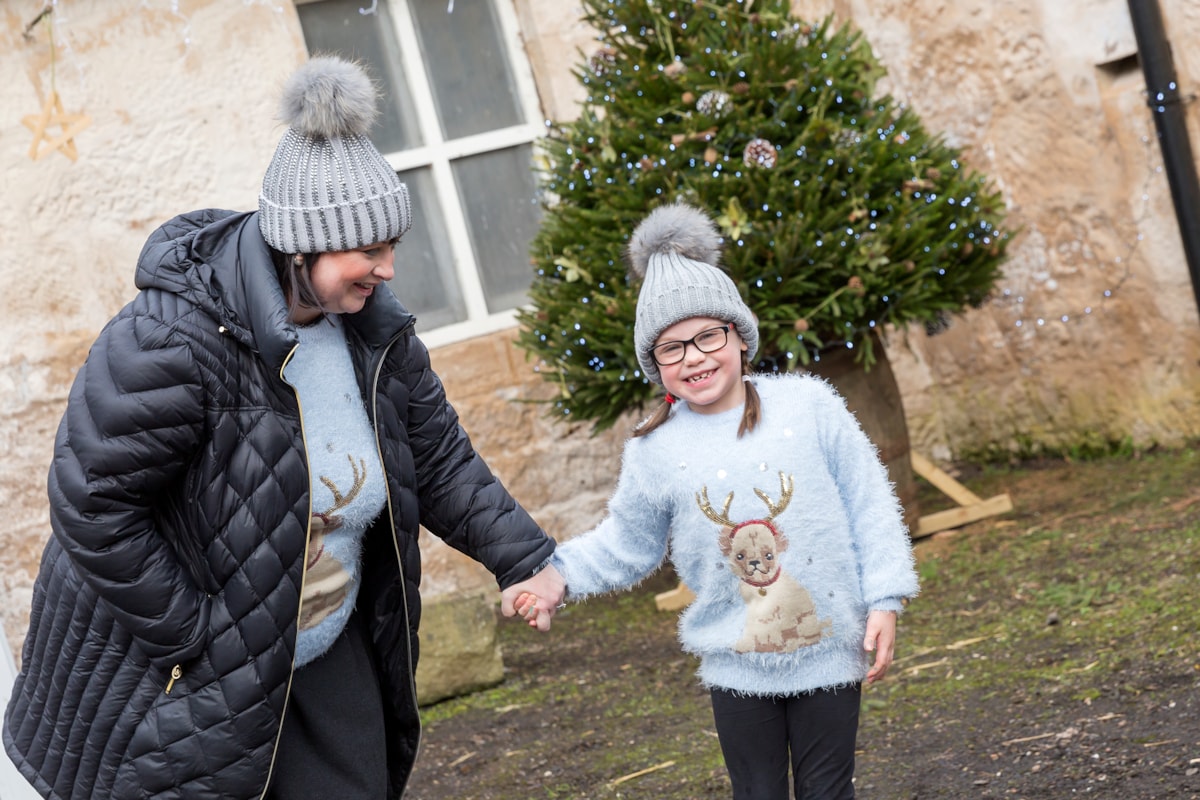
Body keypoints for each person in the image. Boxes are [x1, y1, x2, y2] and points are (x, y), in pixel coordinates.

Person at [3, 56, 563, 800]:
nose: (389, 269)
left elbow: (439, 459)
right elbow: (91, 503)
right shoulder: (172, 340)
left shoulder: (374, 337)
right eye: (368, 251)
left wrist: (523, 559)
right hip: (189, 675)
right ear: (302, 246)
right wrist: (194, 635)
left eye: (392, 246)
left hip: (326, 649)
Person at [501, 203, 919, 799]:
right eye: (671, 349)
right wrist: (554, 577)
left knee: (828, 789)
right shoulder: (656, 451)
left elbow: (869, 503)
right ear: (656, 366)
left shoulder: (809, 406)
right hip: (736, 661)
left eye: (707, 336)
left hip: (829, 645)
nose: (694, 357)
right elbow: (627, 542)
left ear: (739, 336)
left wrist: (884, 597)